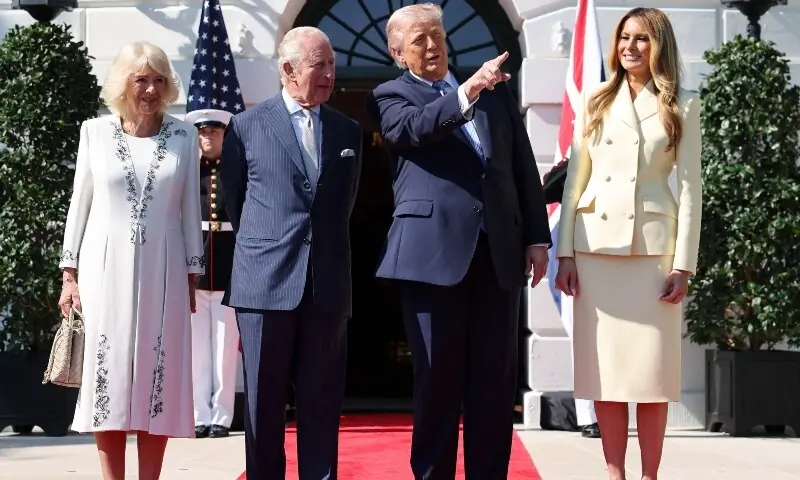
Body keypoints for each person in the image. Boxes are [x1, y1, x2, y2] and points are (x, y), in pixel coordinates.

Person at [366, 4, 551, 478]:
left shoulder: (494, 96)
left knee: (494, 384)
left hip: (498, 255)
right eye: (419, 40)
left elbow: (521, 167)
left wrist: (535, 237)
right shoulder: (391, 94)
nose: (433, 46)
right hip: (433, 259)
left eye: (438, 36)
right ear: (397, 52)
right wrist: (467, 91)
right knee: (439, 381)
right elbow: (413, 131)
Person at [555, 7, 702, 480]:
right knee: (608, 375)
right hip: (596, 250)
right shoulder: (596, 99)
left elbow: (690, 189)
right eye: (624, 37)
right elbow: (575, 180)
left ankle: (649, 476)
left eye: (641, 38)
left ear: (659, 44)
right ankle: (615, 474)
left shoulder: (683, 103)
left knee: (653, 378)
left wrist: (684, 265)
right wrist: (565, 254)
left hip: (653, 257)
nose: (630, 46)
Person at [220, 26, 362, 479]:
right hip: (264, 286)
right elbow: (234, 202)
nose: (328, 76)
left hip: (326, 287)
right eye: (318, 65)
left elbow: (344, 205)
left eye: (332, 66)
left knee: (322, 404)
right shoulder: (245, 127)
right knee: (262, 405)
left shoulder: (348, 131)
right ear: (288, 69)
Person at [57, 41, 204, 480]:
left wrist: (193, 272)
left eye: (160, 79)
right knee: (110, 374)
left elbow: (190, 209)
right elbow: (78, 204)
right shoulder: (94, 132)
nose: (151, 88)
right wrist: (69, 275)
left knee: (158, 375)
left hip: (166, 268)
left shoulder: (185, 134)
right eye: (142, 79)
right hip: (103, 268)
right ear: (124, 83)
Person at [184, 108, 240, 439]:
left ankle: (221, 415)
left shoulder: (234, 172)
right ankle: (198, 414)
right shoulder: (190, 173)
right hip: (196, 270)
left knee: (224, 347)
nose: (208, 138)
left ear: (223, 135)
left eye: (214, 133)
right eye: (203, 133)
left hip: (228, 268)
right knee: (197, 349)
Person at [543, 162, 600, 439]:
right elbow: (549, 188)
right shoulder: (565, 214)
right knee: (582, 342)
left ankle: (607, 411)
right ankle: (589, 417)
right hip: (575, 271)